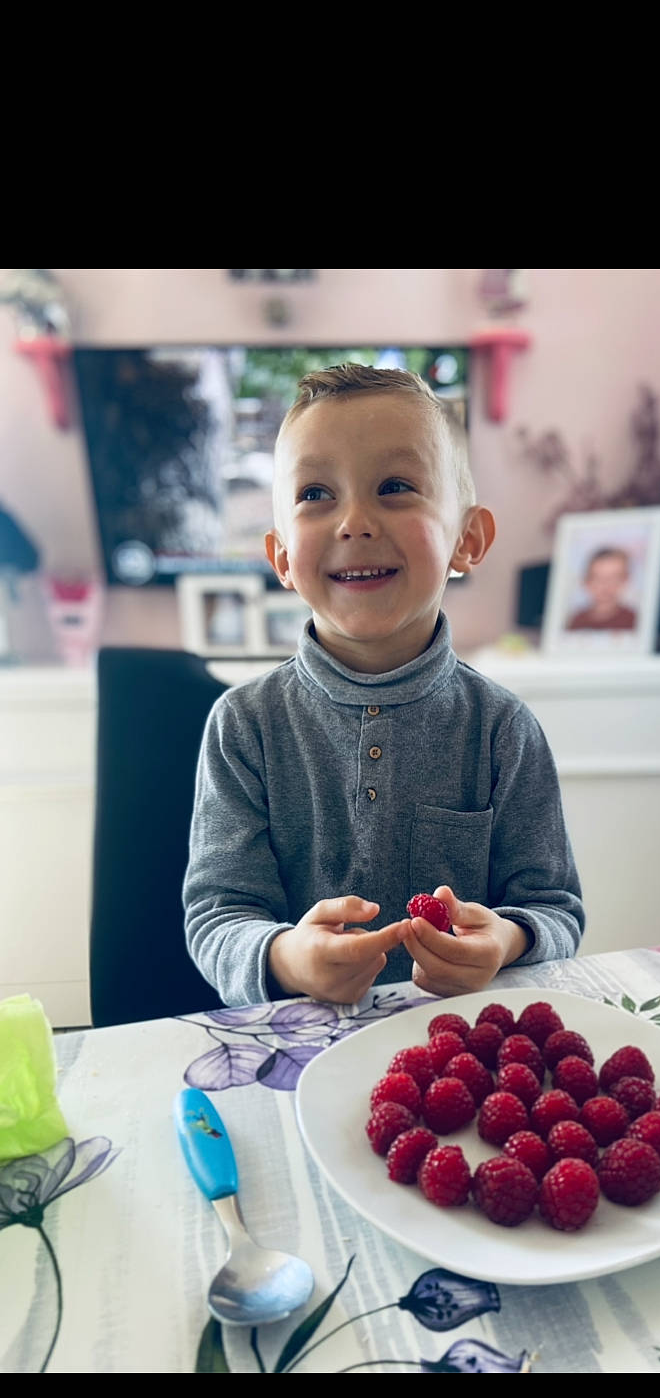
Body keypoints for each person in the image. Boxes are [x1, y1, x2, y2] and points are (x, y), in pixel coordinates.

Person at [184, 363, 584, 1005]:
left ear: (468, 540)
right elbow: (217, 917)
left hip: (458, 1046)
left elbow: (555, 910)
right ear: (281, 556)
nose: (354, 522)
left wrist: (504, 941)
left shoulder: (502, 729)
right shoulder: (243, 726)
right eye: (316, 494)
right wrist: (287, 957)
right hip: (300, 1047)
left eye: (395, 486)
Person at [565, 545, 638, 631]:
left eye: (613, 578)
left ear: (625, 580)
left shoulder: (632, 619)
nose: (605, 585)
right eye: (598, 578)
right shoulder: (576, 620)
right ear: (586, 582)